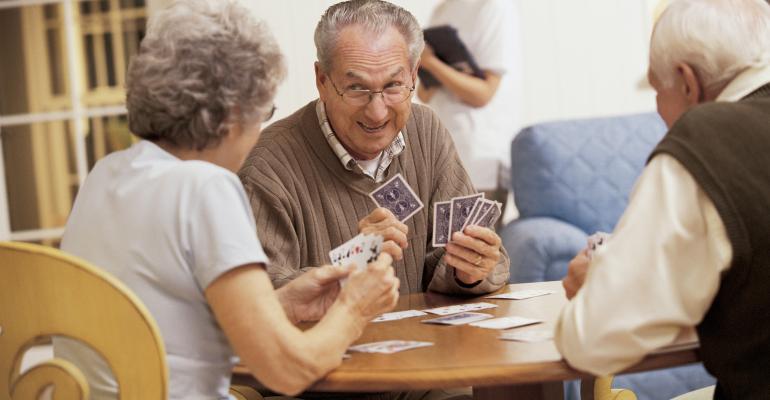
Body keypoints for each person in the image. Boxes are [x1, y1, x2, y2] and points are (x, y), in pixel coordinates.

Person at [53, 1, 400, 399]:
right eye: (263, 113)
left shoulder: (106, 175)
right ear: (234, 115)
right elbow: (290, 370)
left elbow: (169, 327)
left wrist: (280, 304)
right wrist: (354, 308)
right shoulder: (206, 188)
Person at [554, 0, 770, 399]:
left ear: (688, 83)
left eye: (657, 90)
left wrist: (596, 283)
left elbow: (589, 342)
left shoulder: (706, 140)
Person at [239, 0, 510, 296]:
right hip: (327, 342)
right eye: (357, 88)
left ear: (414, 75)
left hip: (425, 338)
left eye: (393, 85)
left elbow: (463, 260)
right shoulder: (267, 165)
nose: (377, 112)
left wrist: (468, 272)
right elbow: (258, 303)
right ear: (322, 80)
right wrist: (353, 261)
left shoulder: (426, 131)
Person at [417, 0, 521, 209]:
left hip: (478, 159)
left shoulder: (494, 7)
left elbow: (482, 95)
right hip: (441, 156)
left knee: (474, 240)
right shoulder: (442, 9)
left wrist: (431, 63)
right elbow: (424, 93)